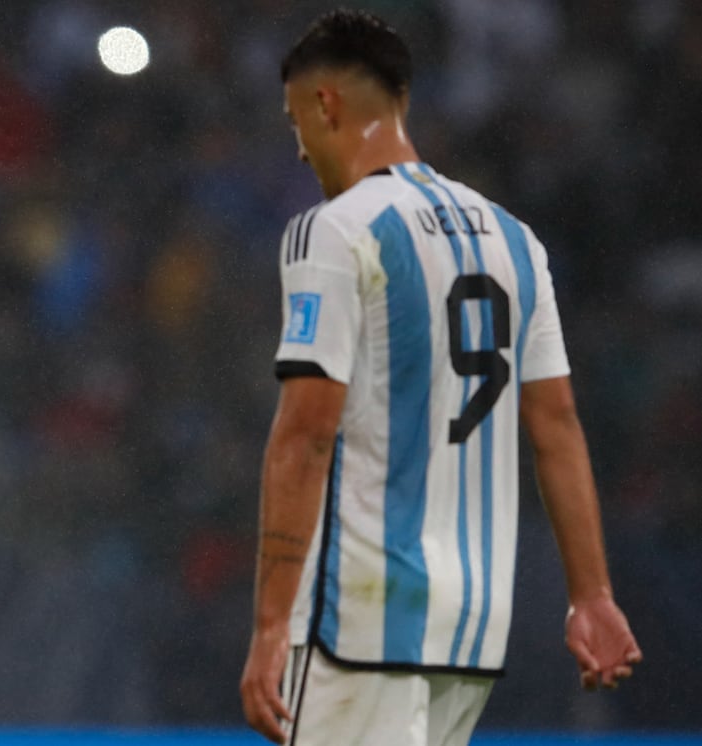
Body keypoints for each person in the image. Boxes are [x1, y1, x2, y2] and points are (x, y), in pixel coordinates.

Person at [239, 9, 641, 746]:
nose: (298, 148)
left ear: (324, 103)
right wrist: (591, 595)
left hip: (359, 613)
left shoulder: (334, 229)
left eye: (294, 120)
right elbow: (554, 425)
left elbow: (304, 437)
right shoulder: (514, 239)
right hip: (472, 623)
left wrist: (269, 627)